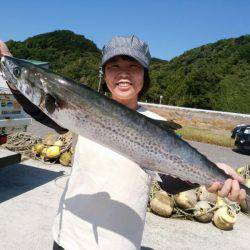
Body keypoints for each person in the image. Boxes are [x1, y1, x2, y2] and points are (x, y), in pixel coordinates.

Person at [0, 36, 246, 250]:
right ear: (104, 73)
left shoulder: (158, 123)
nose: (123, 73)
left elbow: (172, 182)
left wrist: (217, 176)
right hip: (68, 237)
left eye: (133, 66)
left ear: (144, 74)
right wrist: (9, 65)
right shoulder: (81, 108)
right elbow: (42, 110)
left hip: (120, 244)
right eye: (114, 65)